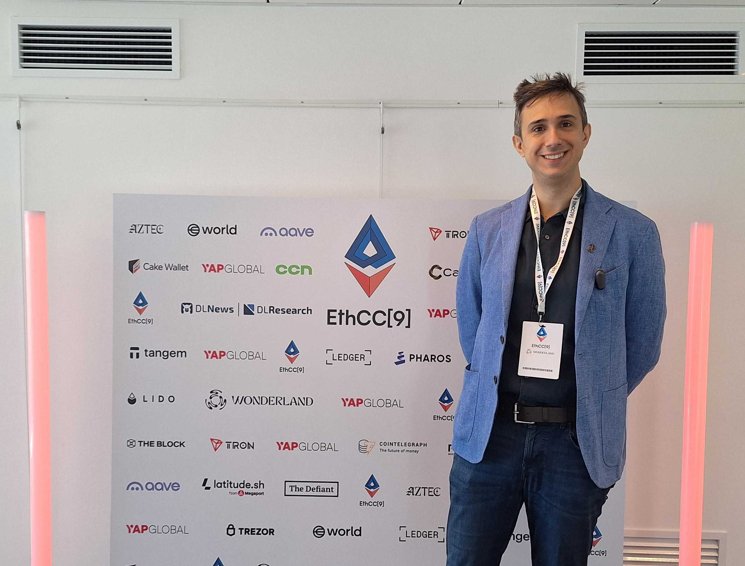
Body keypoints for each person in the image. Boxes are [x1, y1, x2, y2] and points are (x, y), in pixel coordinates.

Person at [446, 72, 666, 566]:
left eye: (566, 124)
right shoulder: (487, 230)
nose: (553, 138)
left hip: (575, 443)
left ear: (585, 133)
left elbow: (643, 342)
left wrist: (594, 392)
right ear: (519, 144)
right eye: (538, 127)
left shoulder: (633, 232)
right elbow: (474, 328)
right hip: (491, 437)